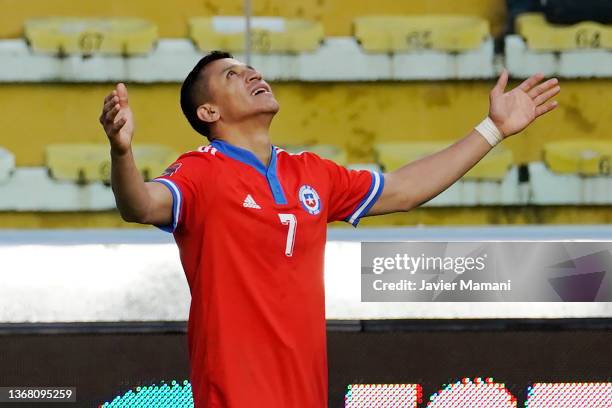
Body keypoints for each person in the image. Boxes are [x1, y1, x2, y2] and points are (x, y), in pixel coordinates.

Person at [99, 50, 560, 407]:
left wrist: (493, 130)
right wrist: (122, 152)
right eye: (232, 75)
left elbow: (403, 190)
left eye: (252, 69)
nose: (253, 75)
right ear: (208, 113)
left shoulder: (311, 172)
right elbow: (138, 204)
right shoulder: (200, 171)